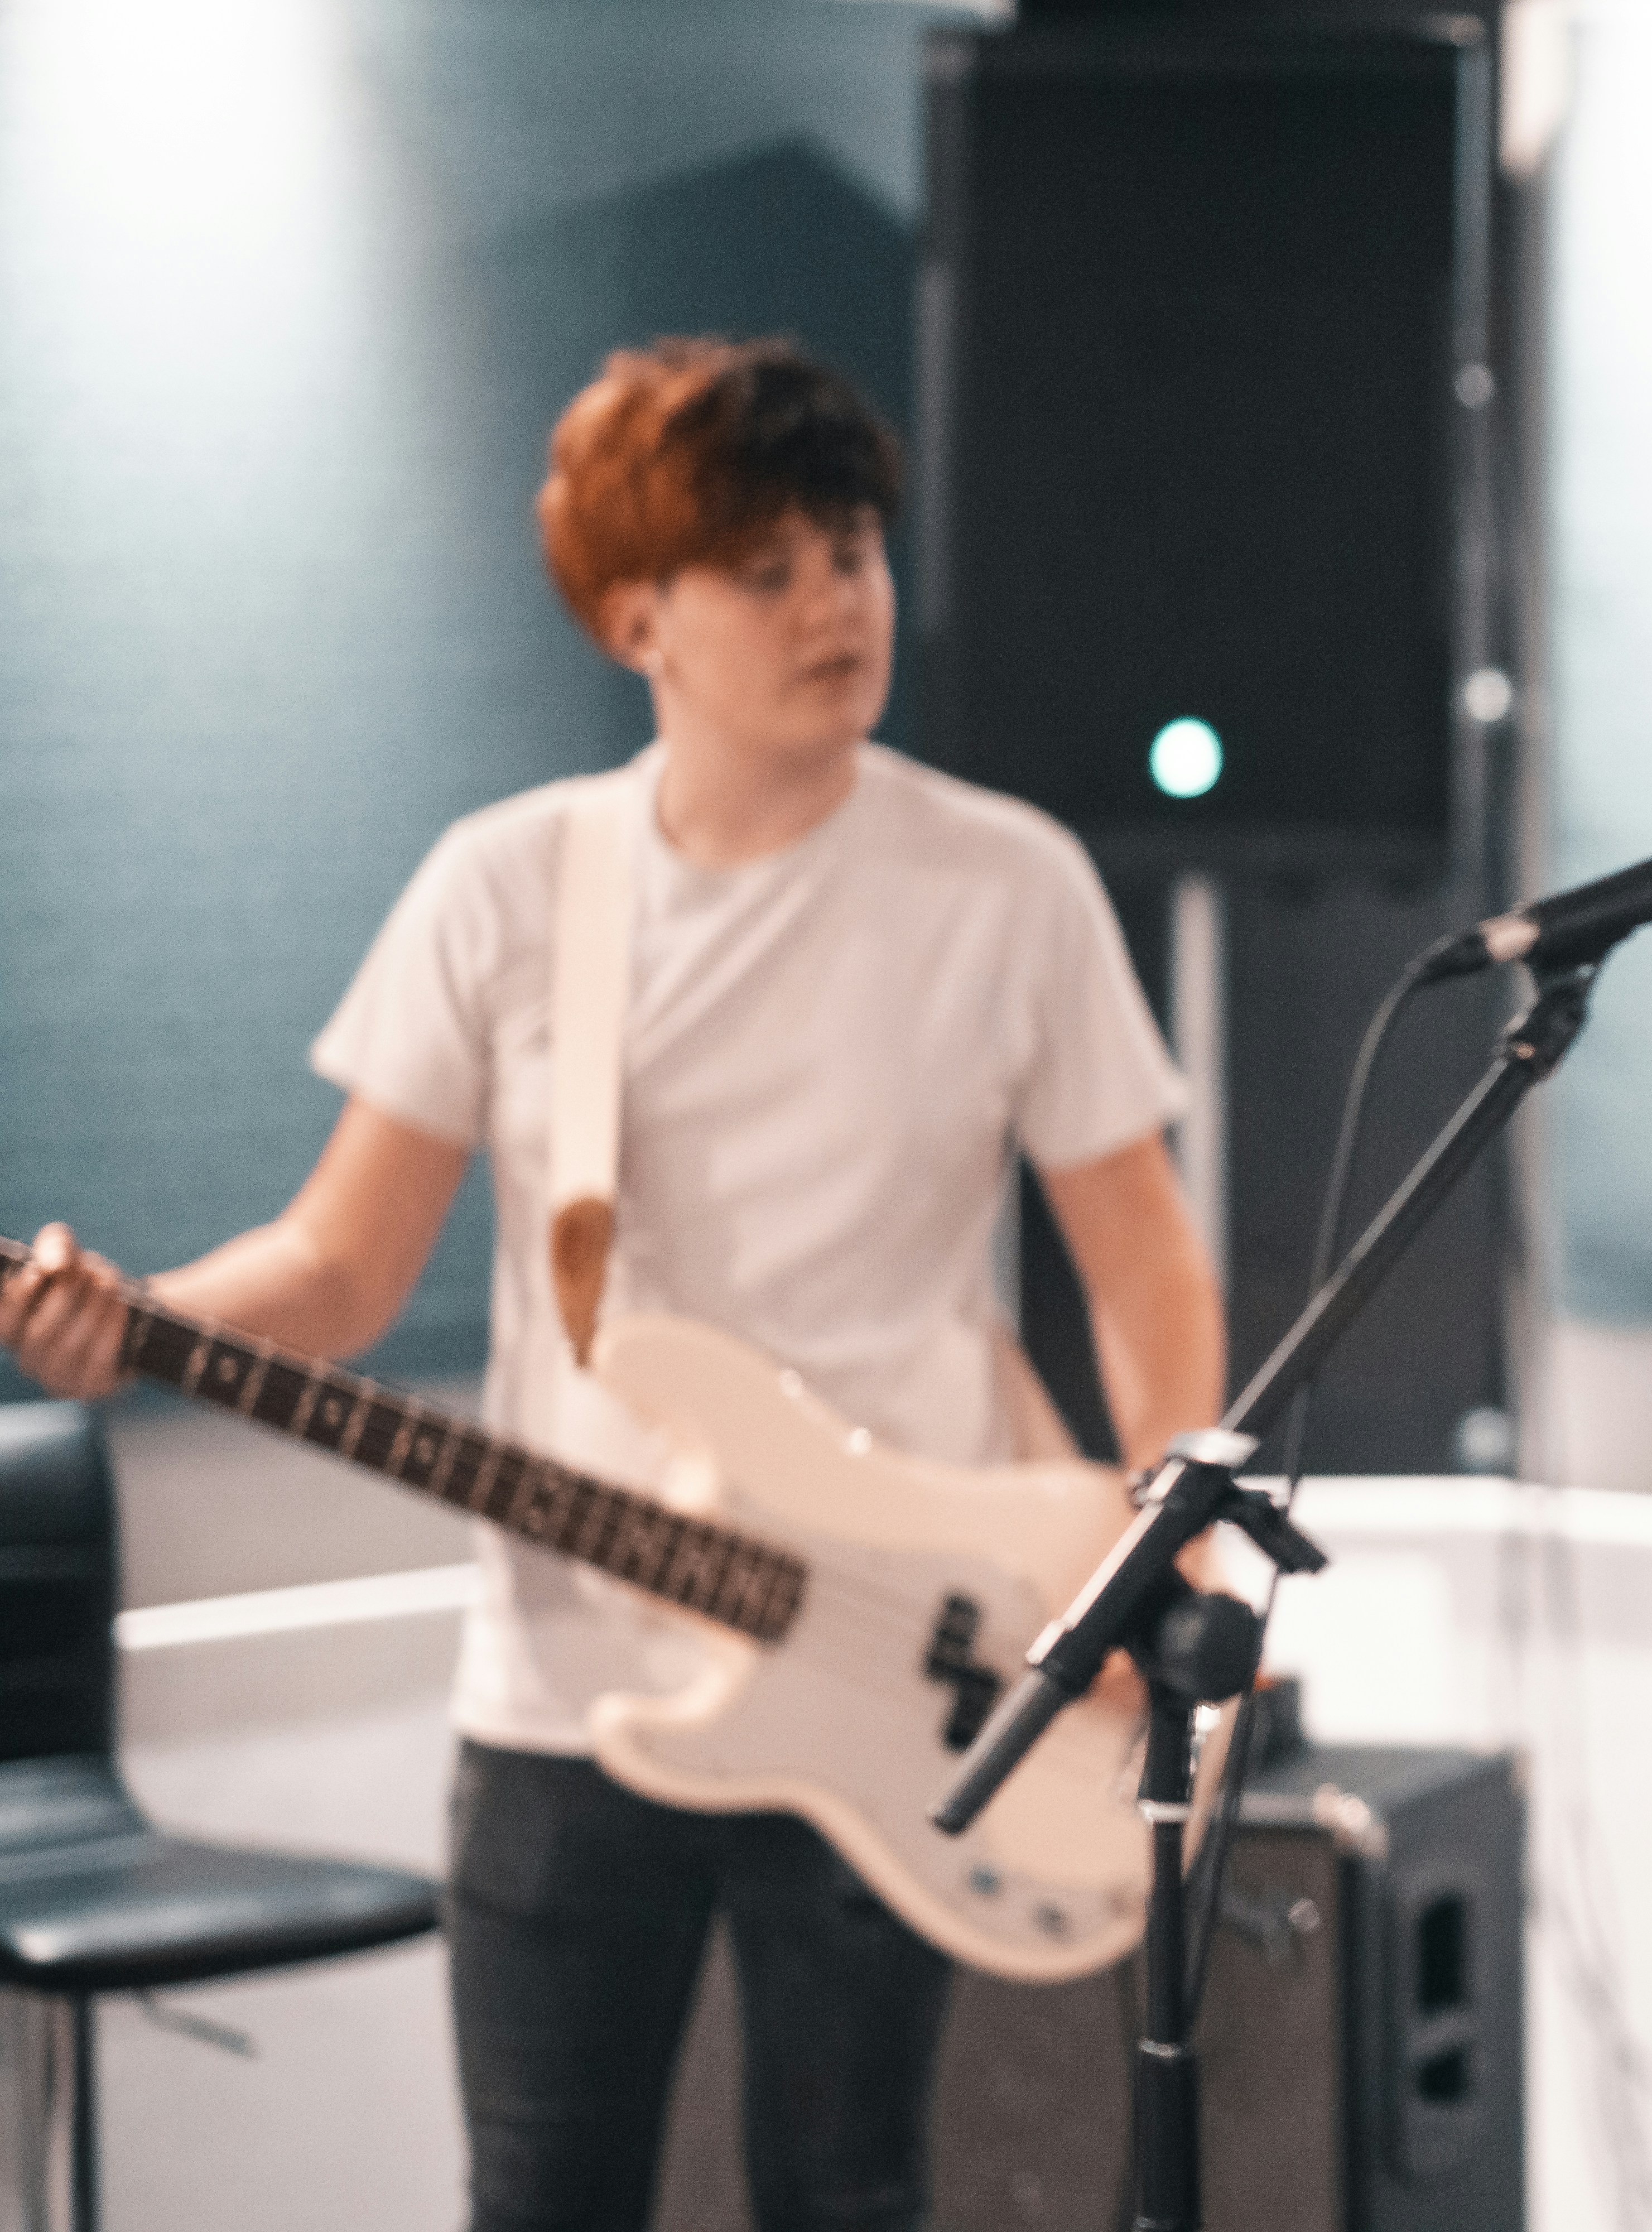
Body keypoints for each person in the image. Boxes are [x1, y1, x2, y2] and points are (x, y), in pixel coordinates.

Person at [0, 337, 1225, 2231]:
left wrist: (1169, 1558)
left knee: (850, 2196)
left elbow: (1145, 1275)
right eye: (771, 567)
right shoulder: (508, 890)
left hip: (912, 1656)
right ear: (634, 615)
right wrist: (140, 1318)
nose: (838, 599)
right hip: (566, 1702)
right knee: (543, 2201)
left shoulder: (1012, 886)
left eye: (856, 549)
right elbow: (341, 1266)